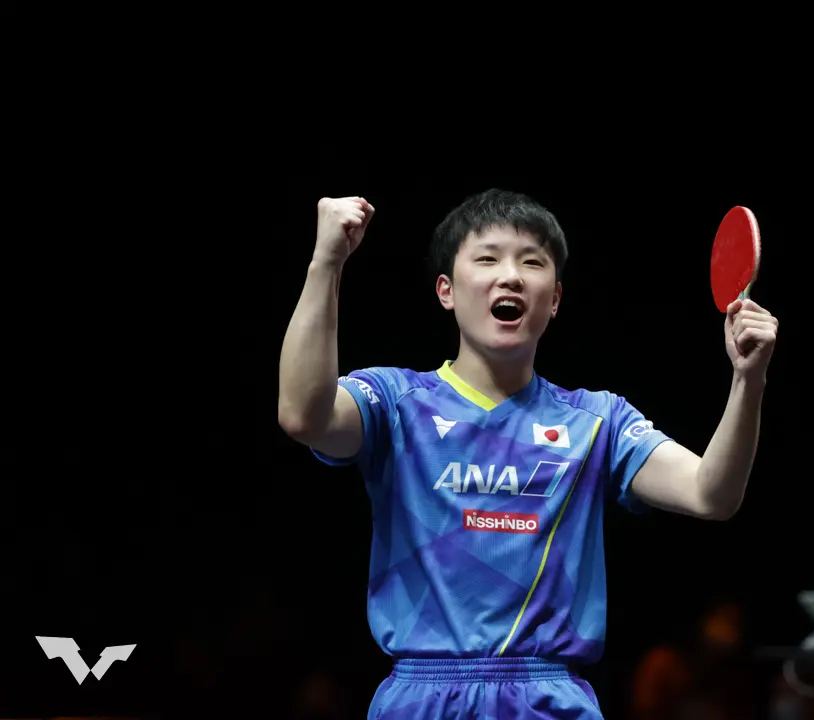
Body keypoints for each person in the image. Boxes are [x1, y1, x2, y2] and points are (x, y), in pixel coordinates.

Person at [277, 189, 779, 718]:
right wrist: (326, 262)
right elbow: (303, 415)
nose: (511, 276)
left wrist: (748, 380)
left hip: (548, 700)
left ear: (555, 299)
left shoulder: (598, 421)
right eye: (487, 258)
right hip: (421, 697)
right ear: (446, 290)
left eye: (532, 262)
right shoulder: (395, 402)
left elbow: (710, 494)